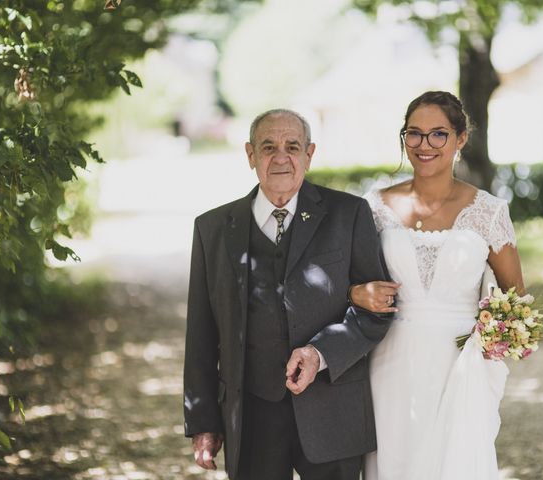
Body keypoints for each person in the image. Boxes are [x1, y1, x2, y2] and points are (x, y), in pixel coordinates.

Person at [183, 109, 392, 480]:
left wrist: (321, 353)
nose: (281, 157)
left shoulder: (349, 215)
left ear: (309, 154)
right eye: (268, 147)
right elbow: (201, 333)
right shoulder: (212, 229)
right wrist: (204, 422)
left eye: (292, 146)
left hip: (333, 409)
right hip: (251, 416)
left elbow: (378, 308)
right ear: (251, 155)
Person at [349, 91, 525, 479]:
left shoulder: (489, 212)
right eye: (414, 134)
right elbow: (347, 283)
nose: (424, 145)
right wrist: (357, 294)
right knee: (394, 459)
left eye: (438, 134)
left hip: (461, 367)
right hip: (388, 361)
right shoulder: (372, 207)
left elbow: (517, 301)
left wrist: (490, 346)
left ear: (460, 139)